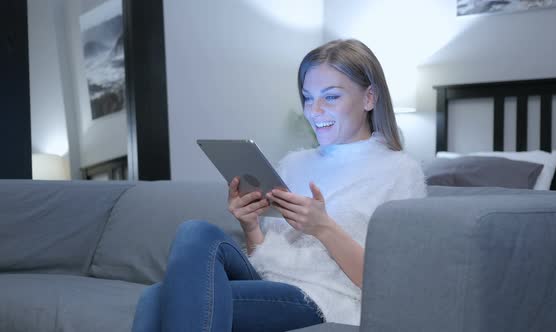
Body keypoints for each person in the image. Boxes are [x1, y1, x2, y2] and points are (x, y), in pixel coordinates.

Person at [132, 39, 426, 332]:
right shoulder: (295, 163)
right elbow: (266, 257)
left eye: (331, 97)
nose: (315, 111)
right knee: (195, 232)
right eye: (308, 98)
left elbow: (389, 285)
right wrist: (250, 225)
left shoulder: (399, 172)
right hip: (269, 282)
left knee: (157, 297)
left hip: (323, 296)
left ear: (369, 98)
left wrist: (323, 227)